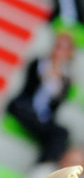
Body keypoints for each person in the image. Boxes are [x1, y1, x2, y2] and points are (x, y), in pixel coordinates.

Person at [6, 32, 76, 164]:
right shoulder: (39, 64)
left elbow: (55, 106)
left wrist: (58, 80)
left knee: (62, 134)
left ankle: (44, 166)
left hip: (43, 116)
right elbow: (28, 88)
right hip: (24, 107)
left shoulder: (65, 79)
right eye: (58, 47)